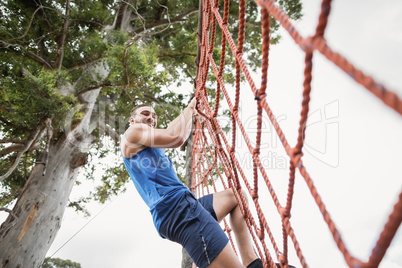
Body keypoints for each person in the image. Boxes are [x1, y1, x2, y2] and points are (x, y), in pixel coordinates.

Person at [120, 98, 263, 268]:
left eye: (154, 115)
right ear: (132, 120)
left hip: (183, 207)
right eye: (145, 114)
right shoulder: (133, 132)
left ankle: (252, 262)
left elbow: (172, 129)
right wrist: (191, 106)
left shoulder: (150, 144)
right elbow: (176, 137)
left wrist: (191, 109)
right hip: (177, 210)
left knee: (235, 197)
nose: (151, 117)